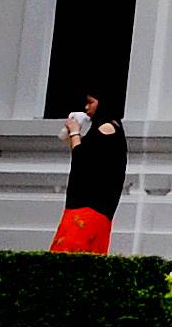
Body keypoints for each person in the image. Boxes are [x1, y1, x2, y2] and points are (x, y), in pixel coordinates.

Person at [52, 93, 127, 254]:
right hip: (95, 208)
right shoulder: (112, 128)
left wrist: (74, 131)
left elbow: (81, 159)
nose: (87, 108)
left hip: (88, 208)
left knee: (69, 256)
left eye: (90, 103)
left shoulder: (107, 128)